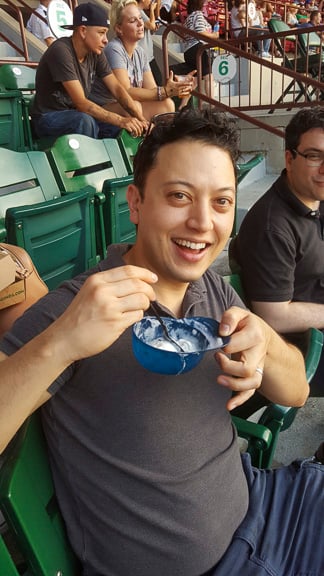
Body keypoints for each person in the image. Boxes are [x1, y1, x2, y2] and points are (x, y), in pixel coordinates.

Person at [0, 108, 323, 576]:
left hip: (267, 507)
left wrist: (267, 345)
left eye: (221, 203)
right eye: (179, 196)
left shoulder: (213, 290)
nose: (201, 223)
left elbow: (297, 393)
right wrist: (62, 342)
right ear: (135, 203)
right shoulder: (78, 309)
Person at [231, 106, 324, 398]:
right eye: (314, 156)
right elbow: (274, 316)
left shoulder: (315, 199)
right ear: (289, 158)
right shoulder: (272, 226)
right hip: (300, 351)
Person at [30, 2, 147, 140]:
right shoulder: (60, 50)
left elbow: (117, 89)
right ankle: (95, 162)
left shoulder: (96, 52)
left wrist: (141, 120)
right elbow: (81, 103)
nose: (105, 40)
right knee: (85, 121)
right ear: (83, 31)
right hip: (47, 118)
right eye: (101, 33)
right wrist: (121, 120)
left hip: (77, 115)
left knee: (122, 129)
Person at [89, 0, 194, 124]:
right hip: (102, 109)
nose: (140, 23)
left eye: (140, 17)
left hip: (127, 106)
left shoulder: (140, 51)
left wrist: (174, 89)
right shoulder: (114, 49)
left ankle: (160, 140)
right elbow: (126, 91)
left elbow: (152, 90)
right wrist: (165, 91)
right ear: (119, 28)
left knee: (166, 105)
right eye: (133, 21)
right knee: (135, 106)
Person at [183, 0, 219, 99]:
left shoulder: (188, 18)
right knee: (209, 77)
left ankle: (182, 106)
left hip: (188, 51)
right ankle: (212, 105)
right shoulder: (198, 15)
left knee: (194, 80)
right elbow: (201, 32)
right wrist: (214, 35)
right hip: (198, 49)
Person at [136, 0, 163, 85]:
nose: (151, 2)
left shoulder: (140, 12)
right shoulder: (137, 11)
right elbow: (151, 25)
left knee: (157, 82)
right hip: (144, 56)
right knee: (157, 82)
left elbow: (151, 26)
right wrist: (152, 10)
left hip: (147, 55)